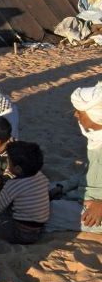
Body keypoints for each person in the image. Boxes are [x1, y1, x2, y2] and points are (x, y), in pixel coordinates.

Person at [46, 82, 102, 233]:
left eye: (80, 112)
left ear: (95, 114)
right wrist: (62, 187)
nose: (75, 115)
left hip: (95, 211)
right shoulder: (96, 138)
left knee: (37, 211)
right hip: (81, 197)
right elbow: (87, 174)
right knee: (36, 192)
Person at [0, 141, 50, 244]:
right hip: (39, 230)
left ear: (18, 168)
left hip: (21, 234)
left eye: (8, 161)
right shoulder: (41, 176)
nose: (7, 162)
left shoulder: (13, 185)